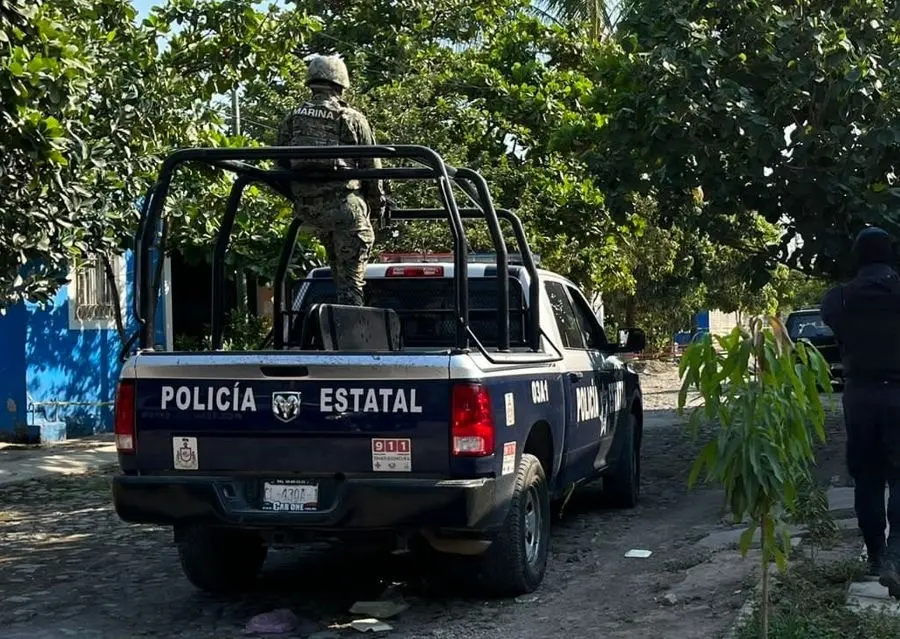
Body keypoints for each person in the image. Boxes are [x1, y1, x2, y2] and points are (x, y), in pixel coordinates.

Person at [821, 226, 900, 597]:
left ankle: (878, 558)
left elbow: (834, 324)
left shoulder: (838, 299)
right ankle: (898, 552)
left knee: (868, 478)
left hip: (860, 395)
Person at [275, 54, 385, 306]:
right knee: (351, 282)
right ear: (340, 84)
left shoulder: (292, 117)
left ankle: (334, 326)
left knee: (336, 266)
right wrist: (378, 206)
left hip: (309, 212)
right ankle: (351, 330)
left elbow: (279, 163)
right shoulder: (351, 118)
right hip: (345, 209)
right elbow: (372, 169)